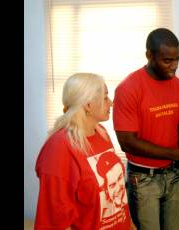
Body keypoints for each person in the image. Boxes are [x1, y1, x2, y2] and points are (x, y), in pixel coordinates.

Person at [112, 28, 179, 230]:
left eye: (177, 59)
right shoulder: (128, 88)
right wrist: (178, 155)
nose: (174, 66)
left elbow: (174, 127)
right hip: (143, 178)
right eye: (167, 60)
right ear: (149, 55)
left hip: (174, 174)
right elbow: (127, 141)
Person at [35, 73, 136, 230]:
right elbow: (52, 218)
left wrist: (128, 223)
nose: (111, 103)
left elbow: (116, 193)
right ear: (88, 105)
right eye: (105, 97)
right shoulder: (59, 148)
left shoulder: (100, 132)